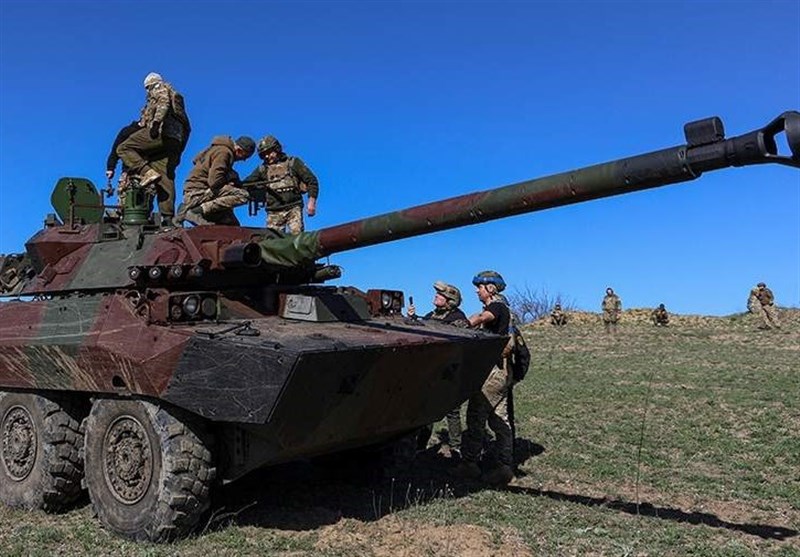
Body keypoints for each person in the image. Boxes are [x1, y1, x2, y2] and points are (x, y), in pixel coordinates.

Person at [452, 270, 514, 486]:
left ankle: (469, 464)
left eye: (479, 287)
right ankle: (504, 467)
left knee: (475, 416)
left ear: (490, 288)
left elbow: (483, 318)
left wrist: (463, 324)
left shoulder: (496, 306)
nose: (476, 291)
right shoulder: (505, 306)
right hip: (503, 372)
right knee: (499, 419)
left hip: (493, 372)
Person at [116, 72, 190, 226]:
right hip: (176, 140)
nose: (147, 92)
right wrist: (179, 149)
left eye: (147, 89)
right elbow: (187, 127)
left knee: (123, 148)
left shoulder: (160, 88)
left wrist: (156, 123)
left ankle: (146, 171)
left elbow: (163, 103)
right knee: (165, 177)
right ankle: (168, 218)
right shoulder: (178, 102)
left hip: (162, 133)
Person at [408, 281, 469, 457]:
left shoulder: (457, 318)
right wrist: (413, 319)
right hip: (430, 369)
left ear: (450, 300)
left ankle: (455, 447)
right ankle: (420, 445)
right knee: (425, 409)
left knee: (452, 409)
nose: (436, 297)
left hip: (449, 369)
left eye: (440, 295)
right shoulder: (431, 315)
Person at [242, 135, 319, 234]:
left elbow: (312, 180)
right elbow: (248, 182)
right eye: (263, 154)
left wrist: (311, 202)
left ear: (276, 149)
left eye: (269, 152)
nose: (266, 156)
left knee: (297, 240)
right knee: (273, 243)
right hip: (273, 212)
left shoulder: (293, 163)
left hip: (294, 208)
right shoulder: (262, 169)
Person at [176, 136, 256, 226]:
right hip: (197, 193)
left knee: (232, 225)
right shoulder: (224, 152)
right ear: (239, 150)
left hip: (194, 192)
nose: (244, 160)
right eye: (245, 156)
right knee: (243, 195)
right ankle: (195, 211)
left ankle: (190, 210)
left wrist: (232, 177)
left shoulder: (216, 149)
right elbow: (214, 181)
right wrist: (229, 182)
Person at [106, 120, 141, 206]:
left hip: (148, 172)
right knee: (125, 201)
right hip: (129, 172)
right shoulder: (128, 131)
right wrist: (110, 168)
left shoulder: (152, 132)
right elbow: (115, 150)